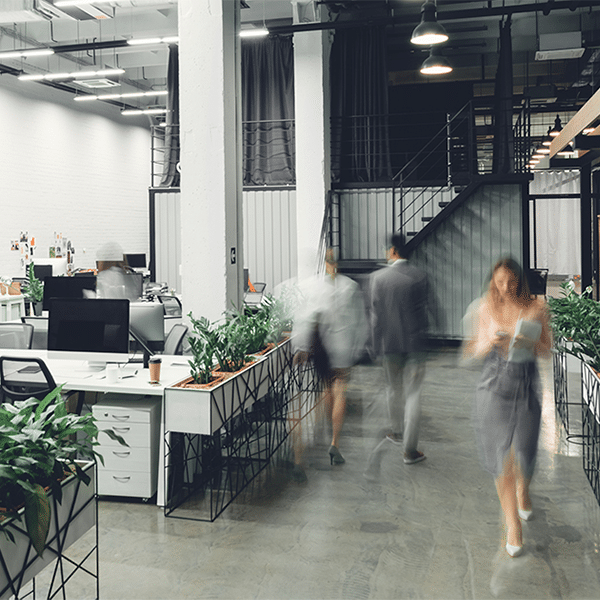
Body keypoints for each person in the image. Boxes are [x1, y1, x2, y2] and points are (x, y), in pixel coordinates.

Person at [462, 257, 551, 558]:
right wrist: (489, 342)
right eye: (500, 282)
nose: (506, 288)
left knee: (525, 451)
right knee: (501, 457)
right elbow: (471, 350)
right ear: (493, 281)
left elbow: (547, 349)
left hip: (526, 386)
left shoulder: (536, 308)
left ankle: (523, 490)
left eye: (511, 282)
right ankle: (512, 523)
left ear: (520, 281)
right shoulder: (484, 307)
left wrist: (526, 340)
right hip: (493, 386)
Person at [292, 248, 368, 467]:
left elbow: (305, 318)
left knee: (325, 387)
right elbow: (360, 322)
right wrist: (357, 349)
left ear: (324, 263)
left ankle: (319, 430)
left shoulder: (312, 287)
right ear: (339, 263)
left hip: (322, 348)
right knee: (340, 389)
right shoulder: (350, 287)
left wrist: (302, 347)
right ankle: (335, 442)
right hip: (343, 348)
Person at [369, 232, 429, 466]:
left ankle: (396, 432)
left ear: (393, 251)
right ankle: (410, 451)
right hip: (414, 346)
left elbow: (375, 318)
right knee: (413, 395)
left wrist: (375, 346)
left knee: (393, 390)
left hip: (389, 345)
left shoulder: (378, 278)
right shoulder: (419, 276)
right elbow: (425, 312)